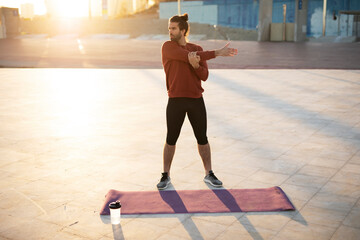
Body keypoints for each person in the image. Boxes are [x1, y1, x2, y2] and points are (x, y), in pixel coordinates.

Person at [157, 13, 238, 190]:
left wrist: (195, 65)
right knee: (171, 139)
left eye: (174, 28)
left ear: (183, 30)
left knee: (202, 138)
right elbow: (187, 55)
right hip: (176, 100)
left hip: (196, 100)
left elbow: (205, 76)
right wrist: (217, 53)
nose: (170, 31)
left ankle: (209, 173)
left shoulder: (197, 48)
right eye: (169, 28)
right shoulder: (168, 47)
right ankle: (165, 175)